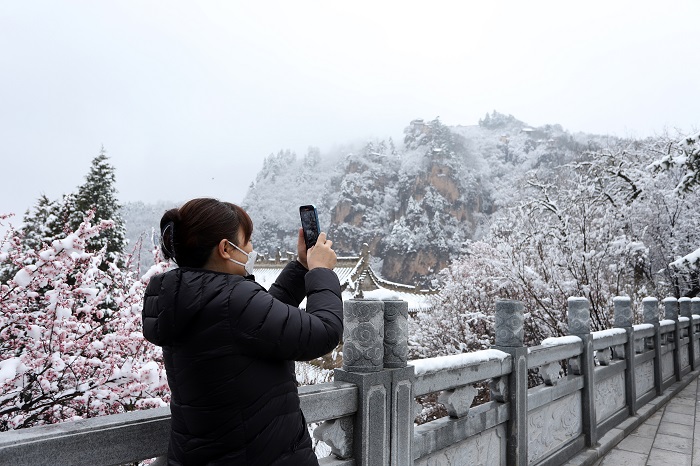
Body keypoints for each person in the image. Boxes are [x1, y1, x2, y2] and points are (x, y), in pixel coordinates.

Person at [142, 198, 343, 465]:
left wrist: (300, 268)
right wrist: (320, 271)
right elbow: (324, 332)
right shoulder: (232, 299)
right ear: (226, 248)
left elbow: (259, 324)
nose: (251, 248)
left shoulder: (188, 297)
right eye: (246, 240)